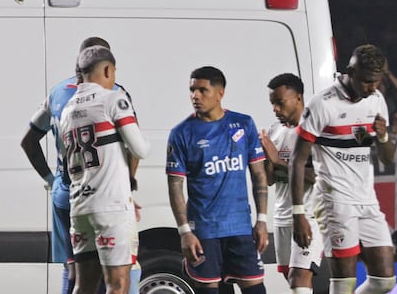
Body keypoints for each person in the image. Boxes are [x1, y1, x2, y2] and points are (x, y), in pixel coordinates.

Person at [292, 45, 397, 294]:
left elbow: (388, 159)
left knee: (384, 281)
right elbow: (297, 160)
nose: (372, 87)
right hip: (335, 200)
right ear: (351, 72)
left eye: (377, 81)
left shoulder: (377, 100)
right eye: (366, 81)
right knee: (344, 284)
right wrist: (299, 213)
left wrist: (383, 138)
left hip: (367, 200)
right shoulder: (322, 104)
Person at [22, 36, 116, 294]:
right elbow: (132, 147)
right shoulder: (115, 94)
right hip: (101, 195)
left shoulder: (58, 93)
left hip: (66, 192)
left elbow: (28, 141)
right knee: (111, 270)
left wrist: (51, 180)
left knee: (73, 269)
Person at [167, 66, 270, 294]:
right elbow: (175, 185)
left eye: (202, 90)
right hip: (204, 231)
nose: (195, 96)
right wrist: (185, 232)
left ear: (220, 92)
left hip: (240, 227)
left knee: (255, 288)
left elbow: (259, 174)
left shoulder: (243, 124)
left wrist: (262, 220)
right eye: (192, 90)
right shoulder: (182, 133)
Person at [59, 45, 150, 294]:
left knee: (83, 285)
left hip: (80, 207)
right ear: (108, 69)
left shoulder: (68, 109)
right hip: (111, 207)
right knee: (118, 285)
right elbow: (140, 149)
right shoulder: (113, 99)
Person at [260, 73, 321, 294]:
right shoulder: (275, 131)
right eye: (272, 104)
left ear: (298, 98)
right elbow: (269, 181)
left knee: (299, 280)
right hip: (282, 217)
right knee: (294, 281)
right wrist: (266, 158)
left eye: (279, 102)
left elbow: (319, 177)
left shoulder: (314, 130)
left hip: (309, 216)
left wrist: (278, 160)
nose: (275, 109)